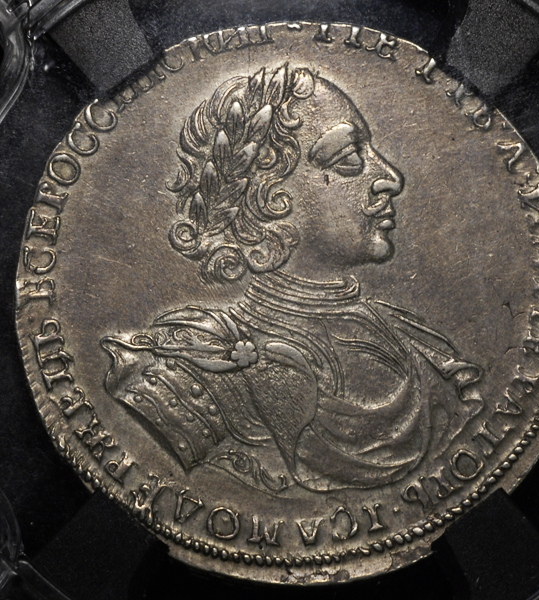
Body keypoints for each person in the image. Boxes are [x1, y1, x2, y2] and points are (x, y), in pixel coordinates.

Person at [100, 64, 483, 494]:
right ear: (269, 196)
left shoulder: (418, 342)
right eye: (349, 158)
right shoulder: (187, 366)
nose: (390, 179)